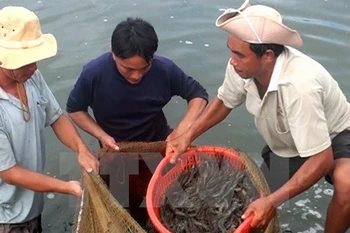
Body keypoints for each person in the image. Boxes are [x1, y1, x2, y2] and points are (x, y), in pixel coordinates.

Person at [166, 1, 350, 232]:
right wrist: (188, 134)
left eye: (239, 55)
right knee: (249, 204)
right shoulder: (240, 67)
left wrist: (272, 202)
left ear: (267, 56)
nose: (232, 60)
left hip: (338, 134)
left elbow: (322, 158)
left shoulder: (300, 86)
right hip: (288, 143)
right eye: (231, 51)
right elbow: (224, 102)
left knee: (347, 184)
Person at [66, 17, 208, 226]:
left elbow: (198, 96)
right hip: (116, 155)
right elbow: (75, 110)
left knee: (173, 209)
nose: (136, 76)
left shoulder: (164, 69)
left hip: (161, 150)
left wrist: (181, 131)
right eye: (128, 69)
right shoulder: (94, 74)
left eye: (144, 68)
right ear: (113, 53)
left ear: (152, 57)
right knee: (127, 213)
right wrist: (101, 135)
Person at [0, 6, 99, 233]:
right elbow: (9, 173)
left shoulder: (30, 75)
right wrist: (67, 187)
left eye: (35, 59)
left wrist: (81, 149)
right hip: (7, 216)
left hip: (31, 203)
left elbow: (56, 117)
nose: (35, 67)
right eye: (26, 61)